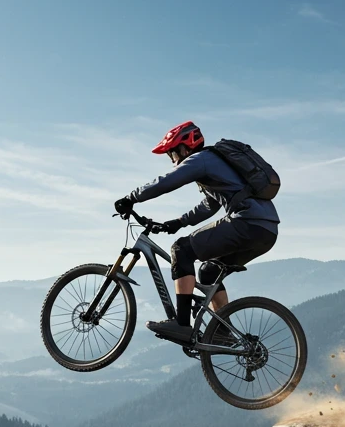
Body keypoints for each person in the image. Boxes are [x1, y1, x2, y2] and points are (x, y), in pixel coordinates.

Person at [113, 121, 279, 344]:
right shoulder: (216, 163)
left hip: (246, 223)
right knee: (209, 272)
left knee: (181, 249)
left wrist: (131, 198)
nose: (173, 159)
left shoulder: (201, 159)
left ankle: (182, 325)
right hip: (266, 231)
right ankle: (223, 331)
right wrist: (178, 222)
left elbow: (167, 181)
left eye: (172, 153)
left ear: (185, 147)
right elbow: (209, 205)